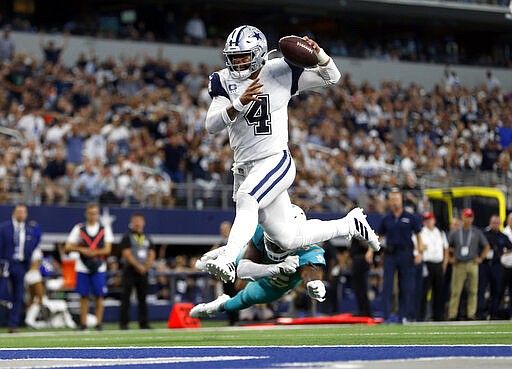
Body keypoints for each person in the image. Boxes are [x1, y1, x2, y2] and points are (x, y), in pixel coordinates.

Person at [199, 25, 379, 283]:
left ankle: (229, 257)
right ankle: (350, 224)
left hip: (275, 159)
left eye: (244, 56)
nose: (237, 63)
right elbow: (211, 125)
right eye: (234, 57)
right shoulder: (223, 80)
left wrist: (320, 54)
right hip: (245, 166)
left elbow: (332, 77)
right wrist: (238, 104)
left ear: (260, 54)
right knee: (287, 237)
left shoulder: (280, 71)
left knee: (247, 197)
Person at [191, 205, 326, 318]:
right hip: (260, 261)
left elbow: (309, 270)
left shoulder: (307, 248)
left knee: (241, 301)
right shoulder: (262, 229)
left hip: (273, 285)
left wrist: (313, 282)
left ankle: (215, 307)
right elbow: (247, 262)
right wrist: (248, 276)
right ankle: (225, 253)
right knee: (240, 256)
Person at [377, 189, 423, 323]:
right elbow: (379, 236)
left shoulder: (410, 217)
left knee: (406, 286)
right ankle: (385, 316)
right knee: (387, 286)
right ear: (389, 202)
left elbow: (418, 235)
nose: (394, 202)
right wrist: (370, 250)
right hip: (390, 254)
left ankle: (403, 316)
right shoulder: (386, 218)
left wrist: (419, 252)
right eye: (392, 199)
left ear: (401, 200)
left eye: (396, 199)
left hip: (406, 253)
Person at [65, 203, 113, 331]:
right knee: (83, 295)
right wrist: (82, 249)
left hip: (99, 266)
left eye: (95, 213)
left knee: (99, 295)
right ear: (86, 214)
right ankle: (83, 323)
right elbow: (68, 246)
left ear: (98, 215)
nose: (93, 216)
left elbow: (108, 249)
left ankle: (98, 323)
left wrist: (94, 252)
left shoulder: (104, 229)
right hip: (82, 266)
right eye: (90, 213)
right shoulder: (79, 228)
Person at [0, 204, 42, 333]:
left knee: (18, 295)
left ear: (26, 214)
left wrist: (27, 263)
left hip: (20, 265)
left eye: (23, 212)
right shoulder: (4, 228)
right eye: (18, 212)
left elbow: (32, 246)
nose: (20, 214)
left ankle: (13, 325)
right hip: (6, 263)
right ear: (13, 213)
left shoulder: (29, 231)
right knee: (2, 293)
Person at [447, 208, 490, 321]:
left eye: (470, 217)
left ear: (473, 218)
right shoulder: (456, 232)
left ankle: (471, 314)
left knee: (473, 291)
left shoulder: (476, 232)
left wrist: (481, 258)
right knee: (456, 291)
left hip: (472, 263)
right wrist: (450, 259)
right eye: (467, 216)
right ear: (463, 217)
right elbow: (446, 246)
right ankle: (452, 314)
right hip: (459, 264)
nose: (468, 219)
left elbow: (486, 246)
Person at [119, 213, 156, 330]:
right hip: (129, 271)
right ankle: (124, 323)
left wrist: (146, 266)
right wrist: (138, 266)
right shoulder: (127, 237)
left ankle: (143, 323)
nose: (137, 223)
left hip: (143, 272)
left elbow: (152, 253)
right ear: (131, 222)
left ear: (143, 222)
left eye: (139, 220)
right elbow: (126, 254)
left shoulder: (147, 237)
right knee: (126, 298)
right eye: (135, 220)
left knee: (143, 298)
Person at [24, 248, 76, 329]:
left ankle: (29, 320)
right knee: (39, 299)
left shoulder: (30, 249)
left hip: (29, 274)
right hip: (34, 274)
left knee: (33, 299)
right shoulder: (36, 251)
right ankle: (29, 320)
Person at [478, 214, 512, 320]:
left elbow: (510, 247)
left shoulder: (502, 236)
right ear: (490, 222)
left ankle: (493, 313)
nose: (495, 225)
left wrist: (503, 253)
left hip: (497, 265)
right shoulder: (483, 233)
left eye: (497, 223)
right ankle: (480, 314)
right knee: (481, 289)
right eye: (494, 223)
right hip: (484, 264)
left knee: (496, 290)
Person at [418, 211, 449, 321]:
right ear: (424, 221)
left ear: (434, 220)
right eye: (426, 220)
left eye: (430, 219)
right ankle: (421, 316)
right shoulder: (421, 233)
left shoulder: (440, 232)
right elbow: (418, 249)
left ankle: (438, 316)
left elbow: (446, 248)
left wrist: (445, 262)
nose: (428, 222)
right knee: (424, 291)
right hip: (427, 264)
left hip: (438, 264)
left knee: (439, 291)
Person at [349, 238, 373, 317]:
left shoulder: (360, 229)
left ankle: (365, 311)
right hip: (357, 258)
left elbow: (365, 242)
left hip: (361, 259)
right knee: (358, 287)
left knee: (361, 287)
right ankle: (362, 310)